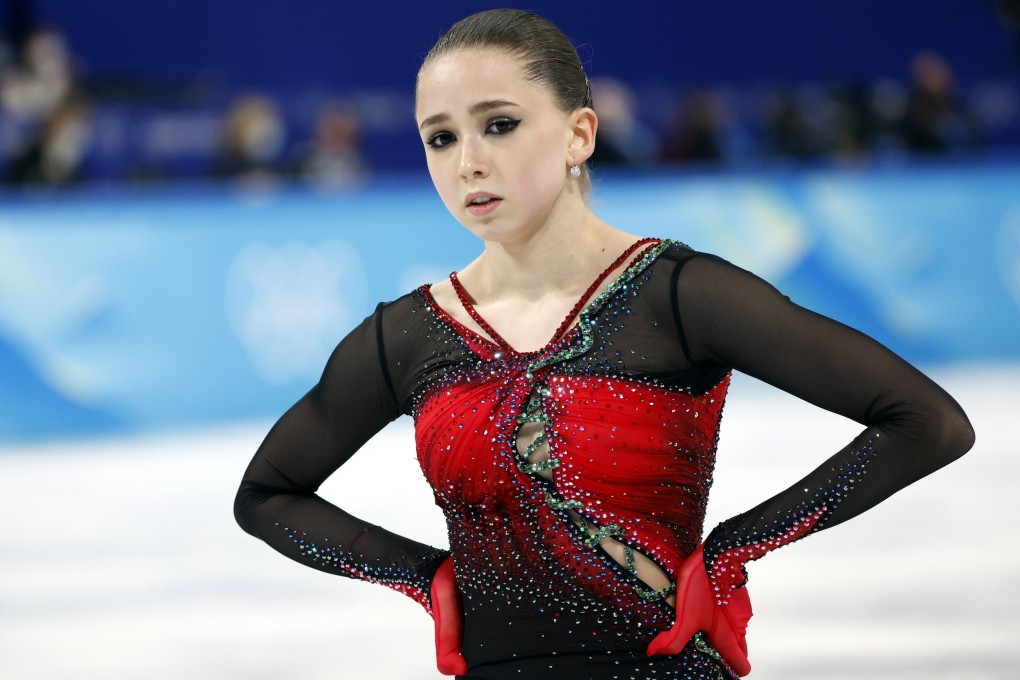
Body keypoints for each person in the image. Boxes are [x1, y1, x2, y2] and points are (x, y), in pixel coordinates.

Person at [234, 9, 975, 679]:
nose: (467, 163)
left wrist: (729, 552)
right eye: (441, 137)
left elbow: (926, 421)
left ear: (579, 134)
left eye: (499, 124)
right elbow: (266, 495)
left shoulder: (679, 293)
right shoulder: (404, 334)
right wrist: (424, 575)